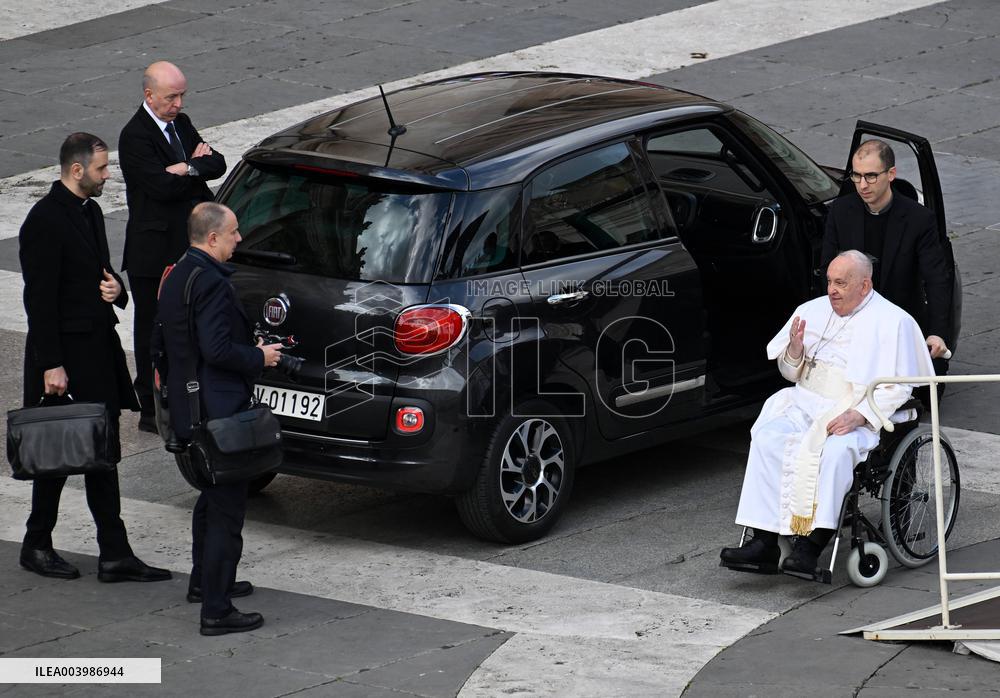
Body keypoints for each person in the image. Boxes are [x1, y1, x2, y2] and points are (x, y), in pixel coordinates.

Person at [720, 251, 934, 580]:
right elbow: (791, 373)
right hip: (804, 401)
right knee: (768, 438)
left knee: (835, 452)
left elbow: (898, 387)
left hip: (855, 408)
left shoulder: (895, 322)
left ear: (865, 285)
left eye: (841, 283)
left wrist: (860, 415)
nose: (832, 290)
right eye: (830, 281)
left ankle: (812, 545)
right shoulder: (811, 312)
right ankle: (763, 543)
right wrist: (793, 351)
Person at [18, 132, 172, 584]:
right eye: (103, 169)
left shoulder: (91, 211)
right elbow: (39, 300)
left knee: (102, 451)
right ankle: (38, 543)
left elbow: (100, 275)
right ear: (77, 169)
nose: (109, 177)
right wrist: (51, 364)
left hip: (96, 350)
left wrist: (117, 291)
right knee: (59, 450)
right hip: (66, 357)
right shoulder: (44, 220)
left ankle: (113, 551)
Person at [154, 202, 283, 635]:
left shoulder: (177, 276)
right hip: (218, 410)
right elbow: (218, 350)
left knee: (209, 501)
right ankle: (217, 609)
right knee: (227, 511)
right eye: (233, 233)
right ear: (212, 238)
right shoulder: (210, 282)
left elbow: (167, 342)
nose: (239, 239)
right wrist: (259, 356)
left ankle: (204, 583)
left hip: (190, 407)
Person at [119, 60, 227, 433]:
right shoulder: (135, 136)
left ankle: (179, 392)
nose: (179, 103)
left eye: (182, 95)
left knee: (184, 321)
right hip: (152, 252)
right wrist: (192, 166)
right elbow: (159, 188)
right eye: (171, 97)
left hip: (182, 243)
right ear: (149, 95)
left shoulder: (180, 124)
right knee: (152, 325)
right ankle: (150, 403)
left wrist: (185, 168)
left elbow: (217, 163)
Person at [821, 139, 953, 373]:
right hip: (852, 324)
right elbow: (827, 268)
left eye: (871, 176)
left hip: (900, 322)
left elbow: (936, 279)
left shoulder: (918, 219)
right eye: (857, 176)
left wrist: (937, 333)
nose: (862, 185)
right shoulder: (841, 211)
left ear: (891, 174)